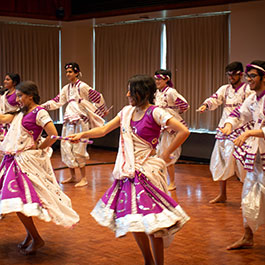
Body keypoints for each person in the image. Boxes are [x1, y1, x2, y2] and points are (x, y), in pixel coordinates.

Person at [68, 74, 190, 265]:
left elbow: (184, 131)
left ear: (143, 92)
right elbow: (103, 129)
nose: (127, 94)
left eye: (131, 91)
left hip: (147, 174)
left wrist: (165, 156)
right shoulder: (126, 112)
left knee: (153, 225)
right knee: (134, 221)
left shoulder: (155, 112)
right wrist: (82, 134)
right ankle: (147, 260)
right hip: (128, 174)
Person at [0, 81, 80, 255]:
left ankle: (36, 238)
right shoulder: (21, 113)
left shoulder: (39, 112)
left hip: (25, 162)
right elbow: (5, 118)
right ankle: (31, 236)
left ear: (31, 95)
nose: (18, 99)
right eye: (17, 96)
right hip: (15, 160)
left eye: (20, 96)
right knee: (19, 202)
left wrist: (40, 147)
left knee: (17, 202)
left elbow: (53, 134)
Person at [219, 61, 265, 250]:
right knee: (248, 196)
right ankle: (248, 236)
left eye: (252, 76)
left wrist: (249, 133)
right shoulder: (253, 98)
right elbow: (239, 114)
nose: (249, 80)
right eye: (248, 76)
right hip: (256, 156)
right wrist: (230, 124)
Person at [42, 62, 108, 187]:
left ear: (77, 72)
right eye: (66, 72)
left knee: (79, 148)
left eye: (70, 72)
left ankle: (83, 178)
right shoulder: (66, 88)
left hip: (81, 120)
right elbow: (57, 101)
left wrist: (99, 112)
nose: (68, 74)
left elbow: (98, 97)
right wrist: (42, 107)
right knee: (66, 146)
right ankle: (72, 176)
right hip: (68, 119)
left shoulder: (82, 86)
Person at [197, 62, 253, 203]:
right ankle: (222, 195)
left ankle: (245, 199)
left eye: (233, 74)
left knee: (242, 165)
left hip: (241, 131)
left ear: (240, 74)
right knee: (220, 161)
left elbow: (249, 109)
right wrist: (205, 105)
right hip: (224, 129)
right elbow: (215, 98)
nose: (230, 77)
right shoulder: (225, 89)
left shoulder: (247, 89)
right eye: (228, 74)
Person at [154, 69, 189, 191]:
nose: (157, 81)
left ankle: (172, 182)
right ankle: (161, 180)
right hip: (161, 124)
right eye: (156, 79)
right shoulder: (157, 93)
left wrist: (174, 113)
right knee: (160, 152)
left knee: (168, 153)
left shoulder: (171, 92)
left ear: (166, 79)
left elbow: (184, 105)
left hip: (170, 126)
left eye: (159, 79)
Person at [0, 73, 21, 140]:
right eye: (5, 79)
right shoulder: (4, 94)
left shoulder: (18, 93)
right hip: (4, 119)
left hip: (15, 119)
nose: (4, 81)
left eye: (7, 80)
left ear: (14, 82)